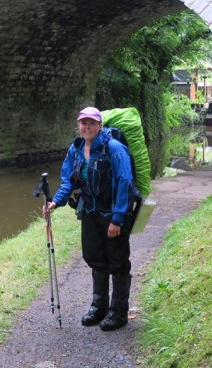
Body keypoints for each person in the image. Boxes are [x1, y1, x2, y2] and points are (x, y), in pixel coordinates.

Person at [43, 106, 135, 331]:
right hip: (91, 214)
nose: (87, 127)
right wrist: (56, 200)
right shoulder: (75, 150)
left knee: (118, 262)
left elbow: (125, 181)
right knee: (96, 258)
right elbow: (68, 180)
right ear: (78, 126)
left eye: (92, 123)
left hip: (113, 214)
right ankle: (99, 306)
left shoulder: (113, 148)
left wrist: (117, 219)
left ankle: (119, 312)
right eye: (83, 123)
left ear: (99, 126)